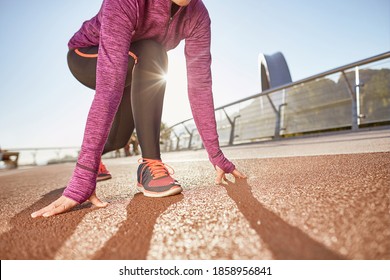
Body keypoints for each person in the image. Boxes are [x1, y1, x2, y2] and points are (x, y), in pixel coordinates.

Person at [31, 0, 246, 218]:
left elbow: (200, 85)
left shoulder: (198, 16)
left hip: (136, 62)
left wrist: (216, 154)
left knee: (119, 139)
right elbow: (109, 86)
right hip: (87, 54)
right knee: (154, 52)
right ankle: (149, 166)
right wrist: (82, 178)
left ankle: (97, 159)